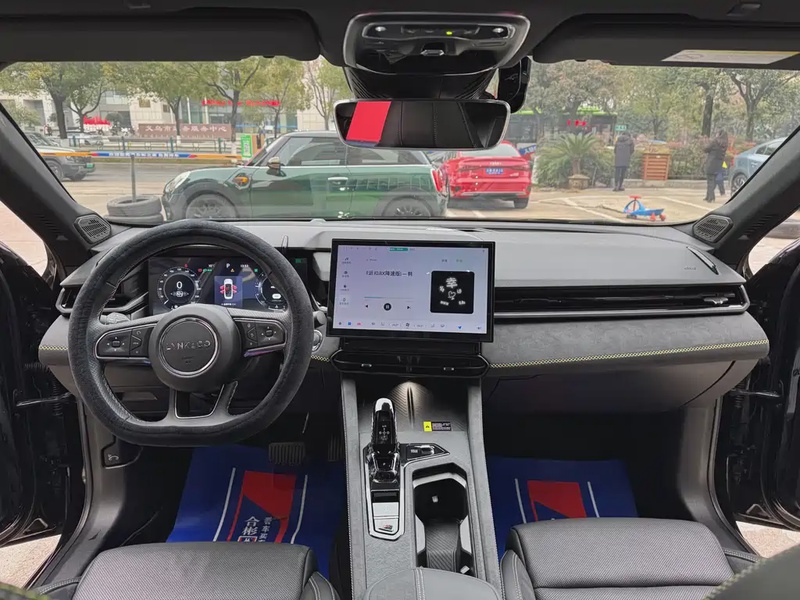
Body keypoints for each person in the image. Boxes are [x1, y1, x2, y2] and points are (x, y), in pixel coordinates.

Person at [703, 130, 728, 203]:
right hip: (719, 164)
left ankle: (711, 198)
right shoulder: (725, 144)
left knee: (710, 180)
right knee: (713, 181)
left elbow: (706, 149)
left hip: (711, 163)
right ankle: (708, 196)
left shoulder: (715, 141)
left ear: (719, 134)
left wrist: (705, 143)